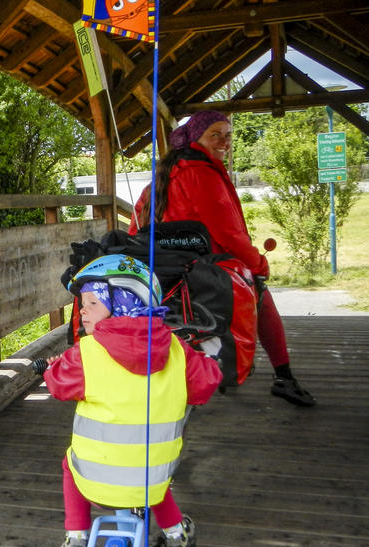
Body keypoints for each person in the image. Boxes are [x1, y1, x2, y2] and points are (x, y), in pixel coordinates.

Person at [42, 254, 222, 547]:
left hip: (93, 478)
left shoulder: (85, 353)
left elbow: (59, 385)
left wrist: (52, 368)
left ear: (123, 302)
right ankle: (175, 532)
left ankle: (76, 536)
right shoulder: (178, 351)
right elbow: (204, 386)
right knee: (150, 472)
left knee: (70, 465)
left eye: (92, 303)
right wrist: (208, 363)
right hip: (152, 476)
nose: (82, 310)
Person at [129, 110, 315, 407]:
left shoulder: (163, 177)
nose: (224, 142)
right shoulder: (201, 172)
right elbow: (228, 232)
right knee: (261, 297)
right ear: (197, 138)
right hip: (208, 270)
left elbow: (136, 227)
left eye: (228, 135)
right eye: (215, 134)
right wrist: (258, 264)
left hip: (167, 271)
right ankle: (284, 377)